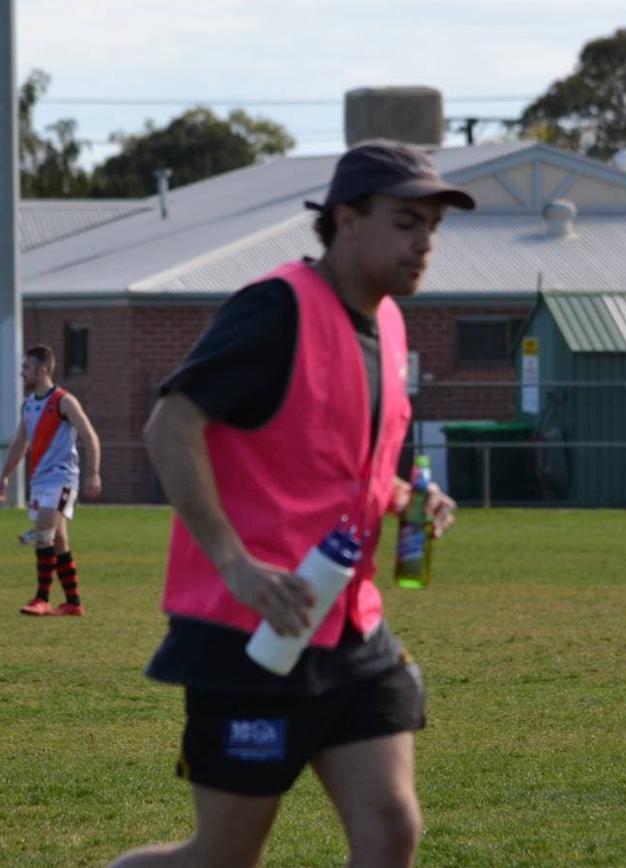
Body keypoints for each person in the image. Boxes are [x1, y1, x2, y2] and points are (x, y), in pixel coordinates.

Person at [109, 139, 476, 868]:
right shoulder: (275, 309)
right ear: (345, 220)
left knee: (391, 831)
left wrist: (408, 499)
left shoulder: (391, 324)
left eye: (432, 225)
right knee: (222, 858)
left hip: (348, 629)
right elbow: (170, 425)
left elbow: (336, 463)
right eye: (406, 223)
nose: (424, 242)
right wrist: (234, 563)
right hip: (250, 632)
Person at [0, 344, 102, 616]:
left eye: (26, 367)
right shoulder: (29, 405)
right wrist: (5, 475)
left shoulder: (63, 401)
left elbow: (90, 436)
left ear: (41, 369)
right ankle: (73, 602)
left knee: (43, 532)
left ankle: (41, 598)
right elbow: (20, 443)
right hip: (40, 480)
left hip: (63, 478)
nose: (22, 373)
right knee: (58, 542)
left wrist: (93, 473)